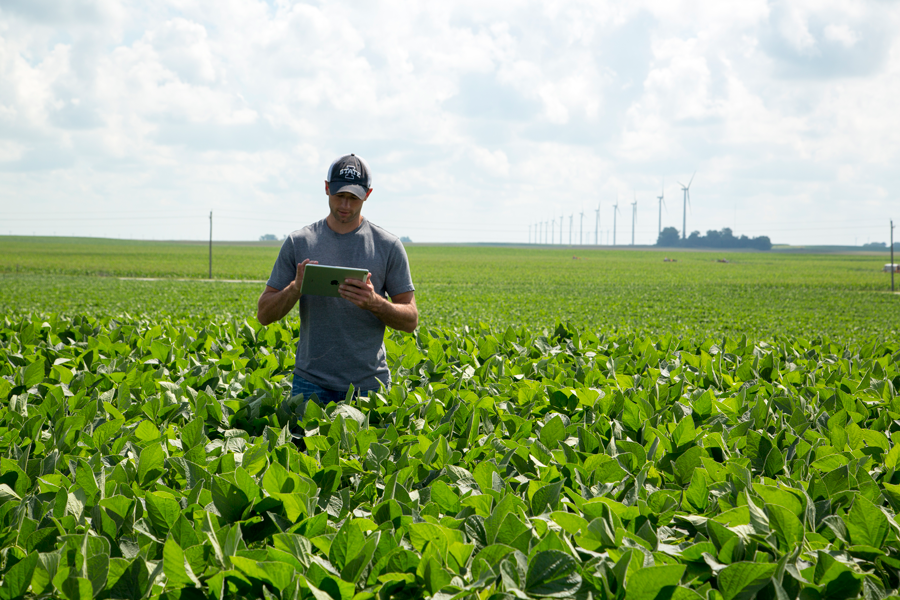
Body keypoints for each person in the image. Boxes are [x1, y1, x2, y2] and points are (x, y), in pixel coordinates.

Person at [257, 154, 417, 404]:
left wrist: (375, 302)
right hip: (310, 383)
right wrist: (295, 288)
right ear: (326, 188)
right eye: (339, 195)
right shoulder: (299, 242)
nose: (345, 205)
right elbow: (264, 315)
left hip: (369, 385)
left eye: (354, 198)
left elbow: (411, 320)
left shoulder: (388, 246)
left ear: (368, 194)